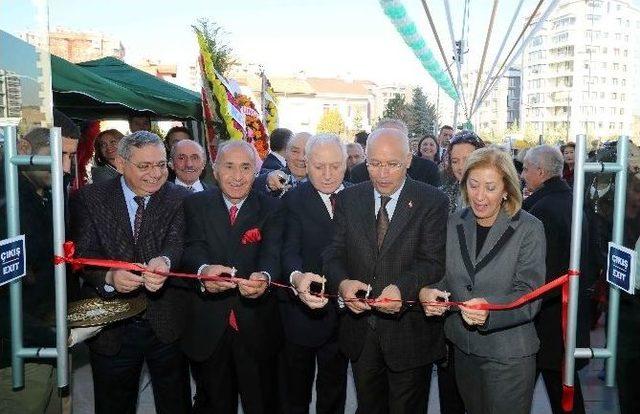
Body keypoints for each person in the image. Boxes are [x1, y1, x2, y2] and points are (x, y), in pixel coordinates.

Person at [322, 127, 448, 413]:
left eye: (392, 164)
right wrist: (342, 284)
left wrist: (401, 289)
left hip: (409, 333)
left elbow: (433, 262)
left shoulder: (432, 201)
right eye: (375, 164)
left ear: (408, 160)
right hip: (360, 333)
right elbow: (333, 253)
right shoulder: (349, 199)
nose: (382, 173)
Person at [70, 131, 191, 414]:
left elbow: (179, 242)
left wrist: (166, 261)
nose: (156, 174)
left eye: (161, 164)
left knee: (175, 403)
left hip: (167, 323)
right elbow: (83, 255)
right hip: (112, 327)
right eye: (144, 166)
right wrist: (109, 277)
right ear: (121, 164)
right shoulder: (90, 198)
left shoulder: (180, 198)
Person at [421, 146, 546, 414]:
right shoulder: (454, 222)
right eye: (474, 185)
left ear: (506, 189)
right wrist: (431, 292)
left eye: (490, 187)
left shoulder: (529, 228)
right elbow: (444, 276)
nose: (479, 196)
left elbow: (530, 294)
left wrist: (489, 309)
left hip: (509, 356)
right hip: (464, 351)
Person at [180, 140, 284, 414]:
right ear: (214, 170)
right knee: (213, 403)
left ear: (256, 171)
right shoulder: (195, 204)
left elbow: (273, 253)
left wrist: (265, 276)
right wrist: (203, 272)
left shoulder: (271, 208)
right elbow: (191, 248)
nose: (237, 177)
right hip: (209, 326)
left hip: (256, 324)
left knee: (262, 403)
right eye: (229, 167)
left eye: (246, 167)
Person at [0, 119, 79, 414]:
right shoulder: (6, 199)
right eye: (58, 155)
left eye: (70, 156)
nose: (66, 168)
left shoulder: (47, 194)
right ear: (23, 148)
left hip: (49, 342)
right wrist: (51, 335)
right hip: (16, 354)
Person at [282, 134, 350, 414]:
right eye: (319, 166)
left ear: (346, 164)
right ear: (306, 164)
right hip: (302, 315)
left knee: (334, 391)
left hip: (346, 316)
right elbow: (287, 250)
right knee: (296, 394)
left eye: (335, 166)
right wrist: (296, 277)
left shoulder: (359, 196)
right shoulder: (292, 201)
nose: (327, 174)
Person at [521, 145, 590, 414]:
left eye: (526, 169)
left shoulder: (542, 210)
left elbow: (539, 270)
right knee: (562, 386)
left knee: (554, 389)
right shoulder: (572, 200)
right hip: (566, 314)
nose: (523, 174)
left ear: (540, 171)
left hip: (548, 320)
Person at [349, 119, 440, 187]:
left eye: (396, 139)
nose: (390, 145)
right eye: (385, 139)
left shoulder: (428, 169)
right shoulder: (359, 173)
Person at [439, 131, 486, 213]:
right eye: (455, 161)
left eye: (467, 160)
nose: (461, 167)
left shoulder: (496, 195)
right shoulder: (442, 196)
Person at [254, 132, 311, 197]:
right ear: (286, 154)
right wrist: (267, 182)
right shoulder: (272, 178)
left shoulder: (322, 184)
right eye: (295, 151)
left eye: (307, 152)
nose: (301, 158)